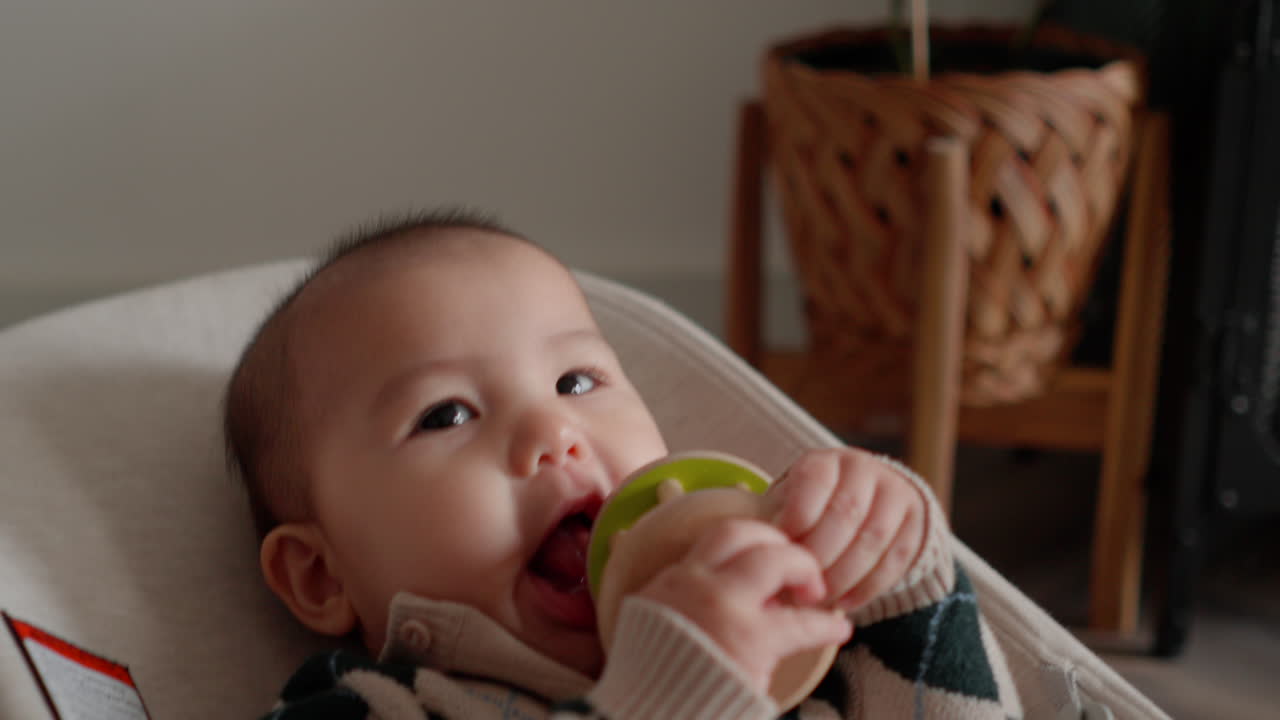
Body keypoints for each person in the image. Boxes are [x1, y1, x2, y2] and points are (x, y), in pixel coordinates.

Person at [224, 210, 1021, 719]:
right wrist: (669, 694)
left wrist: (894, 580)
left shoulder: (789, 637)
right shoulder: (371, 706)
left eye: (577, 382)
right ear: (320, 576)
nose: (555, 430)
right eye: (448, 415)